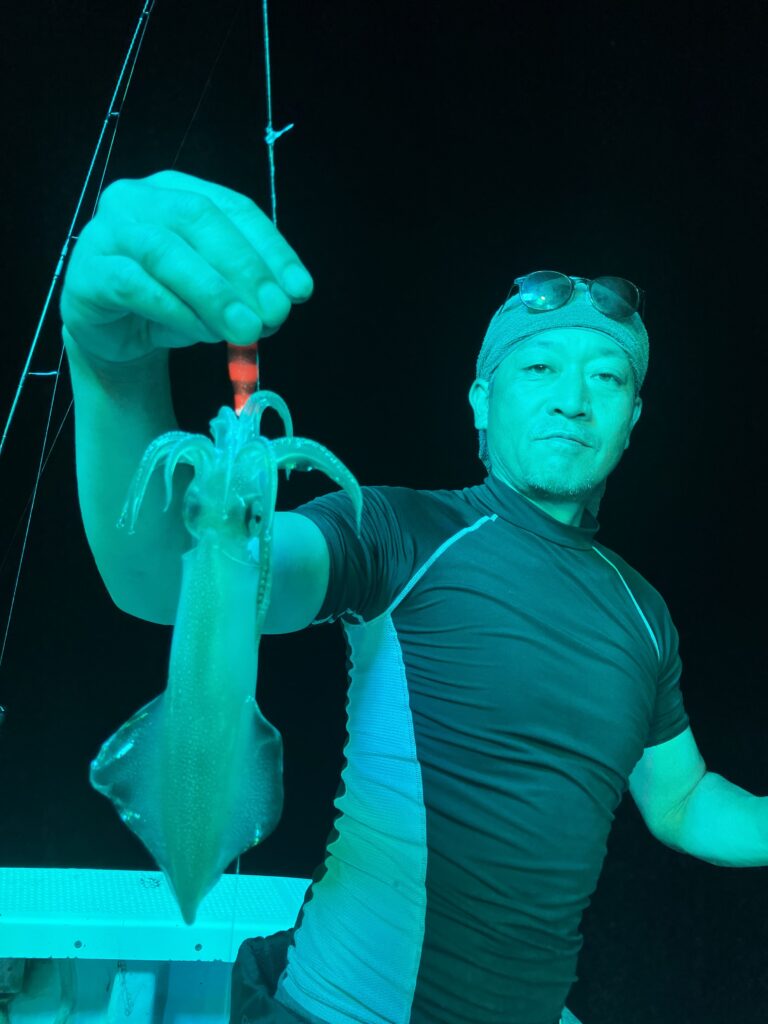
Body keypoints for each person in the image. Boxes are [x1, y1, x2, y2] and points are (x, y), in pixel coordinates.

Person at [61, 170, 766, 1024]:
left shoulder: (643, 614)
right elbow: (166, 574)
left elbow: (683, 800)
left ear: (633, 419)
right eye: (539, 366)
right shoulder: (397, 531)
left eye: (608, 378)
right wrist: (112, 368)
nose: (573, 400)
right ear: (482, 400)